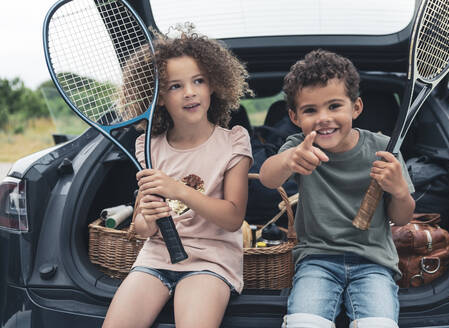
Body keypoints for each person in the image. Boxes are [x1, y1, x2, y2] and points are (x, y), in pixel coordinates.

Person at [103, 26, 253, 328]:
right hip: (155, 258)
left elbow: (233, 218)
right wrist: (147, 215)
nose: (190, 92)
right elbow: (143, 229)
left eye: (199, 81)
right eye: (175, 86)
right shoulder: (149, 148)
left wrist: (179, 191)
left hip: (211, 262)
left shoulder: (233, 142)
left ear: (213, 85)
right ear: (158, 97)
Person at [259, 50, 415, 328]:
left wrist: (400, 190)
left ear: (355, 108)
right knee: (303, 323)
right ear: (295, 117)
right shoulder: (299, 147)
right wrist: (289, 160)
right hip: (316, 260)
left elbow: (402, 218)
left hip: (374, 263)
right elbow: (268, 178)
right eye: (310, 110)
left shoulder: (384, 148)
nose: (323, 118)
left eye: (334, 106)